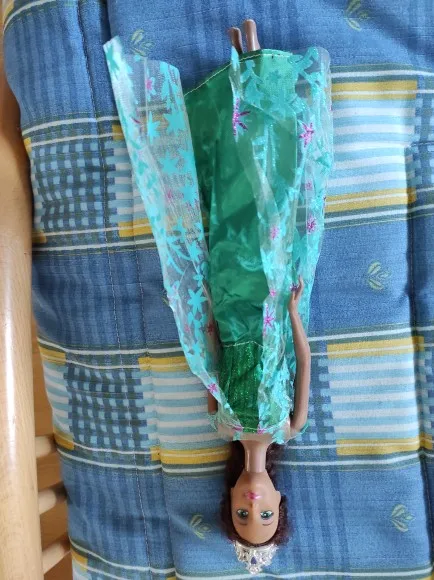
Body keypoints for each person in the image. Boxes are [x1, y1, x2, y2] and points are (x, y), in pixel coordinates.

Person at [104, 18, 332, 573]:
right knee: (272, 206)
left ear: (230, 500)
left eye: (242, 515)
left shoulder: (222, 423)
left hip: (229, 303)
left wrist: (204, 314)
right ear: (279, 501)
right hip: (272, 304)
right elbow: (303, 360)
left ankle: (236, 88)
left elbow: (208, 364)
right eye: (265, 515)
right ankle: (257, 72)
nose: (254, 505)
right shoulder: (289, 427)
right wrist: (294, 312)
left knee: (231, 216)